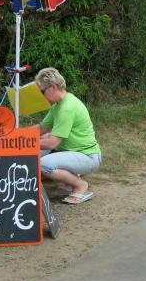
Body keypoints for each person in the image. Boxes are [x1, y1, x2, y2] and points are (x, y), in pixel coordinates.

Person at [34, 67, 102, 204]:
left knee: (42, 164)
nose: (41, 96)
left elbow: (53, 143)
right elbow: (42, 128)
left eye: (42, 92)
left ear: (53, 87)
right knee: (35, 152)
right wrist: (17, 135)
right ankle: (68, 180)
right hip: (74, 152)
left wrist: (24, 143)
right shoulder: (58, 105)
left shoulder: (66, 108)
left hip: (87, 156)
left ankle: (80, 186)